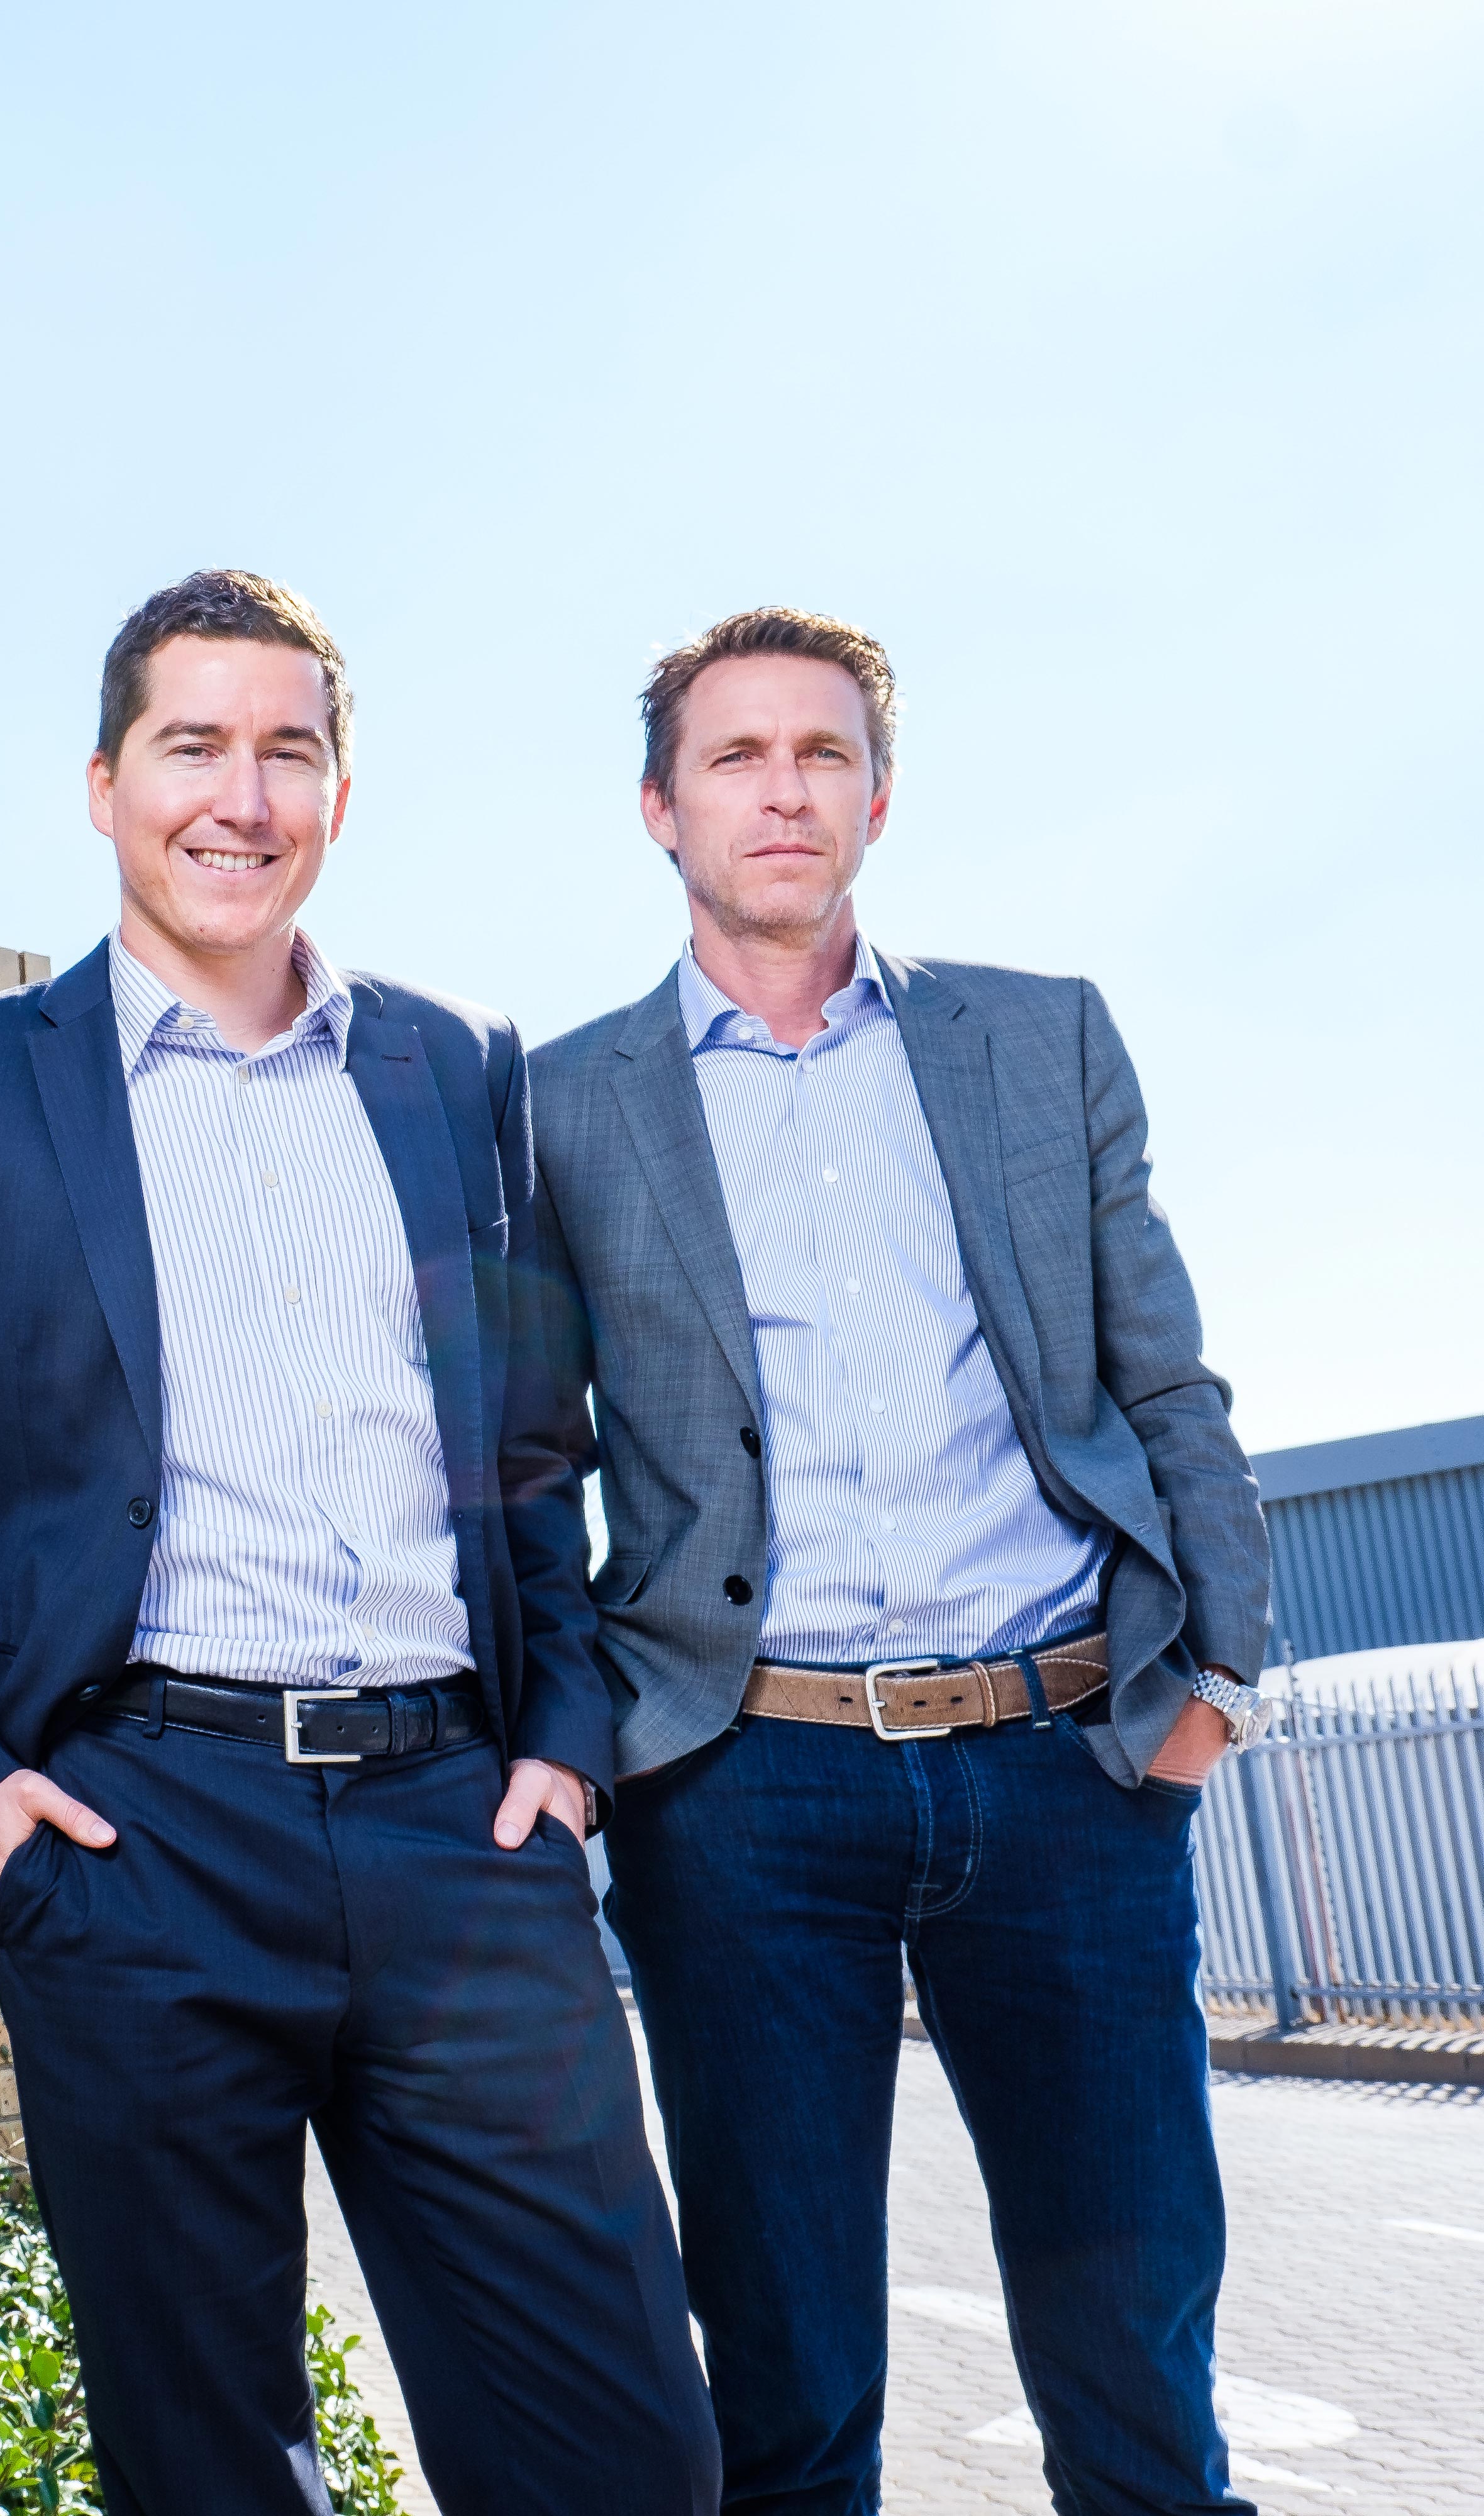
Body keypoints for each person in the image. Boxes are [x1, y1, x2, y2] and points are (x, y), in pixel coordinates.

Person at [0, 569, 718, 2516]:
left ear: (339, 797)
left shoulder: (456, 1068)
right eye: (192, 745)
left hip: (462, 1833)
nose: (242, 794)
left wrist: (564, 1748)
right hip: (139, 1842)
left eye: (289, 750)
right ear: (105, 786)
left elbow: (528, 1449)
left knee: (624, 2449)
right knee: (212, 2474)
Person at [529, 606, 1274, 2514]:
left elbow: (1163, 1378)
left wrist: (1217, 1684)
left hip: (1068, 1767)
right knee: (787, 2387)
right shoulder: (556, 1106)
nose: (783, 790)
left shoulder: (1038, 1037)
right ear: (660, 808)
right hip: (743, 1792)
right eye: (735, 757)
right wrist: (578, 1742)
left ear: (879, 795)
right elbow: (530, 1461)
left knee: (1138, 2367)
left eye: (824, 754)